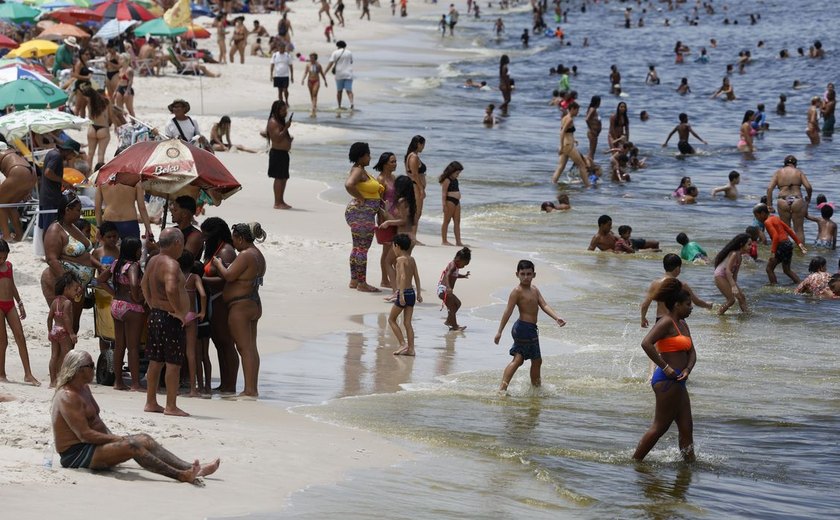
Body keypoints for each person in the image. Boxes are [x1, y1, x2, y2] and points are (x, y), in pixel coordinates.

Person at [51, 350, 219, 481]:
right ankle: (181, 475)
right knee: (133, 446)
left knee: (144, 439)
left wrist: (115, 438)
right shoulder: (68, 396)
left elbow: (97, 423)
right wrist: (118, 439)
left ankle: (191, 467)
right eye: (91, 365)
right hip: (76, 454)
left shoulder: (84, 389)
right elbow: (84, 435)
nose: (94, 369)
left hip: (93, 445)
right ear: (79, 370)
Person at [633, 278, 697, 462]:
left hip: (679, 381)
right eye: (687, 304)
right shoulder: (666, 322)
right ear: (676, 305)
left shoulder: (683, 324)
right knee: (660, 427)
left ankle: (688, 468)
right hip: (666, 381)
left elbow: (692, 352)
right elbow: (646, 343)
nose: (691, 308)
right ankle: (635, 462)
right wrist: (665, 367)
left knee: (686, 426)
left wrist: (688, 369)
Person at [494, 260, 565, 394]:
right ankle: (503, 389)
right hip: (522, 328)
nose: (526, 277)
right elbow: (507, 312)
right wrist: (499, 332)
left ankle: (535, 389)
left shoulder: (535, 289)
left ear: (534, 275)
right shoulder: (517, 291)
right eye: (523, 274)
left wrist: (556, 317)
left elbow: (544, 305)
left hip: (531, 329)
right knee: (520, 359)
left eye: (529, 274)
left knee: (536, 361)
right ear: (517, 274)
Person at [211, 223, 265, 398]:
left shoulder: (245, 255)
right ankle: (252, 387)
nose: (233, 243)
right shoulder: (258, 255)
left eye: (234, 239)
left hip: (240, 306)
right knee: (251, 347)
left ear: (241, 238)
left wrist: (217, 263)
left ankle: (250, 389)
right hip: (253, 302)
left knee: (244, 348)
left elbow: (228, 275)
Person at [141, 228, 190, 416]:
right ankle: (171, 405)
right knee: (173, 363)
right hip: (169, 318)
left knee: (155, 361)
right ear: (177, 243)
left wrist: (151, 301)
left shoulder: (153, 260)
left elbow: (144, 283)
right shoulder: (171, 264)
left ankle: (151, 401)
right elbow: (170, 288)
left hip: (155, 314)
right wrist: (178, 311)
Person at [41, 192, 99, 334]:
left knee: (74, 326)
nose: (80, 213)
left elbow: (84, 254)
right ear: (67, 209)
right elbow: (51, 259)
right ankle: (61, 356)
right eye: (78, 210)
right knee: (64, 325)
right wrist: (70, 282)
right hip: (64, 283)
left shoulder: (72, 227)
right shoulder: (55, 230)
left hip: (78, 285)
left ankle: (67, 356)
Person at [200, 218, 237, 394]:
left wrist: (200, 279)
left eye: (206, 235)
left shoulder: (226, 251)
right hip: (212, 300)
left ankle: (231, 384)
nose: (204, 238)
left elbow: (226, 280)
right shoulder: (214, 249)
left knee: (226, 343)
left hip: (221, 300)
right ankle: (225, 383)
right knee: (218, 343)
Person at [344, 142, 382, 293]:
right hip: (361, 213)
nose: (370, 157)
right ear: (361, 156)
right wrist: (360, 198)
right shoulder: (358, 171)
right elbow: (349, 184)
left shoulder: (360, 170)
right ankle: (362, 283)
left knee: (357, 247)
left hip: (361, 213)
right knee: (362, 249)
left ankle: (354, 280)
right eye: (368, 154)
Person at [0, 240, 38, 386]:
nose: (2, 260)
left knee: (20, 336)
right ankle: (1, 373)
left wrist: (20, 303)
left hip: (10, 304)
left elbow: (12, 284)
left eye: (4, 257)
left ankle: (28, 373)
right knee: (2, 341)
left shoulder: (9, 266)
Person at [641, 253, 712, 330]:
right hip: (676, 320)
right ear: (677, 268)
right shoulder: (681, 285)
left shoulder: (654, 284)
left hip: (660, 320)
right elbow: (697, 301)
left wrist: (643, 318)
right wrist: (708, 305)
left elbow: (645, 304)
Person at [753, 204, 806, 284]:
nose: (756, 218)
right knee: (787, 270)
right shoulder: (775, 218)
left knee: (769, 269)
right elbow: (789, 230)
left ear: (763, 213)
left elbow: (775, 237)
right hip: (788, 244)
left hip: (781, 246)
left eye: (756, 216)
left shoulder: (767, 222)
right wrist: (799, 243)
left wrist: (773, 252)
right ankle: (801, 284)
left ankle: (774, 286)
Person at [388, 233, 422, 356]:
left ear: (397, 246)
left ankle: (403, 344)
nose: (393, 248)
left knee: (391, 319)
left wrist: (400, 294)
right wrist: (418, 293)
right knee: (407, 323)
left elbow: (402, 276)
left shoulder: (400, 260)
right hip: (411, 293)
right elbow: (416, 277)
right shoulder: (412, 259)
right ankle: (411, 349)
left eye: (393, 246)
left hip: (404, 293)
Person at [766, 155, 812, 243]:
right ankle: (801, 253)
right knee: (799, 230)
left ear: (785, 164)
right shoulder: (799, 172)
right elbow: (808, 187)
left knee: (784, 228)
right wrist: (808, 199)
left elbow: (769, 189)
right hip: (797, 200)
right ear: (795, 164)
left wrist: (769, 205)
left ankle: (785, 252)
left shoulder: (778, 172)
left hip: (783, 200)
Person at [47, 273, 81, 388]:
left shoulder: (54, 302)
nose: (77, 292)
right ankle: (64, 381)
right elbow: (66, 318)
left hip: (55, 330)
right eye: (75, 289)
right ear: (66, 289)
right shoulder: (67, 302)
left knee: (54, 356)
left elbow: (49, 318)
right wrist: (71, 333)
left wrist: (49, 331)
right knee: (67, 356)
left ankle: (52, 381)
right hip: (63, 332)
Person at [39, 141, 79, 236]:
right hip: (50, 198)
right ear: (68, 151)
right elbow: (48, 173)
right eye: (73, 155)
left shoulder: (52, 153)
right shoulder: (56, 156)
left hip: (48, 195)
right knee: (50, 228)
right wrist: (63, 182)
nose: (72, 157)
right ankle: (48, 249)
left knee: (48, 227)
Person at [0, 145, 38, 240]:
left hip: (18, 172)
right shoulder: (11, 151)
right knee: (10, 205)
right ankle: (19, 235)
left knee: (1, 204)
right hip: (31, 174)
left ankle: (6, 236)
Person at [374, 153, 398, 288]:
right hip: (385, 219)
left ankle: (392, 277)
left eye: (395, 161)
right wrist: (382, 220)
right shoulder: (380, 180)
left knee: (393, 250)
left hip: (395, 219)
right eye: (392, 162)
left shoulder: (393, 178)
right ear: (384, 164)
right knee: (386, 250)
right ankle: (384, 279)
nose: (395, 164)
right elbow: (378, 202)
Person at [552, 102, 590, 185]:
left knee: (561, 167)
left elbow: (566, 132)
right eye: (577, 110)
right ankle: (588, 186)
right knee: (582, 165)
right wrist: (561, 146)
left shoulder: (564, 117)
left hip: (567, 144)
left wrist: (574, 139)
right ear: (572, 109)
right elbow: (562, 132)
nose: (578, 112)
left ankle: (553, 183)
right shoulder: (569, 119)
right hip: (568, 146)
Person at [713, 234, 751, 315]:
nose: (751, 247)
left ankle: (747, 315)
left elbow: (735, 274)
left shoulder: (740, 257)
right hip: (720, 276)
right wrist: (733, 286)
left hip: (728, 277)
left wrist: (735, 286)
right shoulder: (733, 254)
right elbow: (727, 271)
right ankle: (719, 313)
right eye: (749, 244)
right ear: (741, 244)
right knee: (731, 300)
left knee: (742, 297)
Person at [265, 100, 293, 209]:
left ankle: (281, 200)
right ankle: (277, 202)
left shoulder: (280, 121)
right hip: (277, 153)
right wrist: (286, 127)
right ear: (277, 110)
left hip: (284, 153)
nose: (285, 112)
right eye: (283, 110)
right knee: (278, 178)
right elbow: (277, 137)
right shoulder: (273, 122)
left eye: (286, 110)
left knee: (284, 177)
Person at [437, 247, 470, 331]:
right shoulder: (453, 265)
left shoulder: (456, 267)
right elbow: (448, 275)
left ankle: (449, 321)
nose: (463, 266)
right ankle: (454, 326)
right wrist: (448, 287)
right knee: (452, 307)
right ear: (459, 259)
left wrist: (464, 276)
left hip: (447, 290)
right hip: (444, 289)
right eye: (464, 264)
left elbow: (455, 275)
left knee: (457, 304)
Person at [80, 85, 111, 172]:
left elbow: (83, 115)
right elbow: (110, 117)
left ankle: (88, 175)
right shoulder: (106, 101)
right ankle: (98, 175)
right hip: (103, 129)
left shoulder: (89, 104)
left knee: (90, 153)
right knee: (101, 154)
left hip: (92, 128)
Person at [404, 135, 427, 240]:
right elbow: (415, 175)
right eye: (423, 145)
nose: (423, 147)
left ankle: (412, 236)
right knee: (416, 212)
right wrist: (421, 189)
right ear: (418, 144)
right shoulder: (413, 157)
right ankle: (412, 237)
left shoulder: (411, 155)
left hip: (415, 185)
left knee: (416, 212)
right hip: (415, 186)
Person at [170, 196, 204, 260]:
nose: (172, 213)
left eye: (175, 210)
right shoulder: (173, 230)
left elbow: (184, 260)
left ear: (184, 214)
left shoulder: (195, 236)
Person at [439, 161, 464, 246]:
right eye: (457, 173)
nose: (458, 175)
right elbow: (444, 193)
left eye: (459, 173)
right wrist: (444, 205)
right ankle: (444, 240)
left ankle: (458, 241)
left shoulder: (455, 180)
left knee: (457, 221)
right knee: (447, 220)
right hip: (450, 201)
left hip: (457, 202)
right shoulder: (447, 180)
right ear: (452, 171)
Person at [324, 41, 354, 110]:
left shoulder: (335, 52)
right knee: (349, 90)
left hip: (339, 74)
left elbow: (331, 63)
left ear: (338, 46)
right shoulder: (349, 52)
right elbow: (351, 62)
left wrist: (325, 72)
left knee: (339, 91)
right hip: (349, 73)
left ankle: (339, 105)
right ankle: (351, 103)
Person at [301, 53, 328, 117]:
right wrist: (303, 79)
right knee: (311, 94)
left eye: (312, 57)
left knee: (314, 94)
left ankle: (314, 107)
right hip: (310, 81)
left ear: (315, 58)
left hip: (316, 81)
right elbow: (305, 73)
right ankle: (314, 105)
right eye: (310, 57)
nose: (311, 59)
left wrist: (325, 81)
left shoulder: (318, 65)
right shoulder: (308, 65)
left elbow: (322, 73)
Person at [585, 96, 601, 160]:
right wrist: (591, 129)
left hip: (594, 133)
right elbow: (587, 119)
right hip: (592, 132)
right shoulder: (593, 109)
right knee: (592, 151)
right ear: (597, 102)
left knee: (592, 151)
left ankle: (590, 163)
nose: (600, 103)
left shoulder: (593, 109)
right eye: (599, 102)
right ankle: (589, 163)